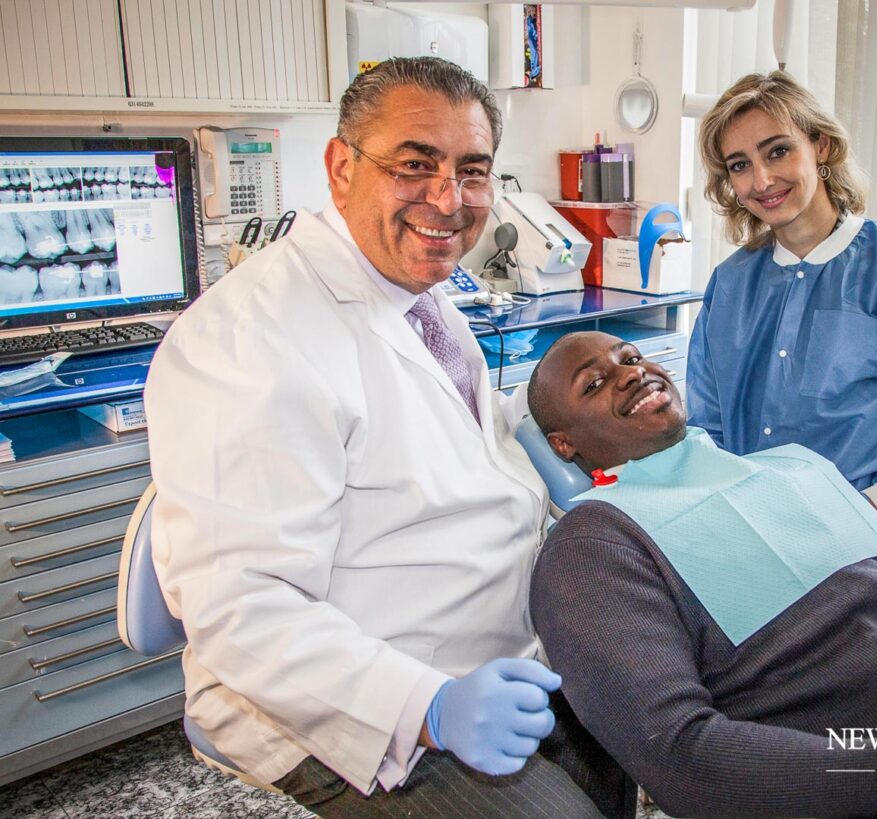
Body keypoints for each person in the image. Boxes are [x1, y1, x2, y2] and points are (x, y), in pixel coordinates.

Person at [145, 58, 629, 819]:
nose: (449, 199)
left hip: (493, 647)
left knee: (638, 742)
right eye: (415, 165)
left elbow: (441, 433)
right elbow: (244, 607)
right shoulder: (252, 339)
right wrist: (429, 706)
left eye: (473, 171)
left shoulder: (415, 291)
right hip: (357, 698)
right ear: (341, 168)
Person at [526, 330, 877, 818]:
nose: (631, 375)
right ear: (564, 444)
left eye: (631, 356)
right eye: (593, 384)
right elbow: (680, 754)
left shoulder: (792, 469)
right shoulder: (594, 546)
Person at [686, 71, 877, 546]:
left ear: (822, 147)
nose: (761, 180)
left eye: (778, 151)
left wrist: (873, 503)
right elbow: (706, 428)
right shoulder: (730, 283)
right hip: (752, 534)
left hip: (865, 540)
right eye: (740, 165)